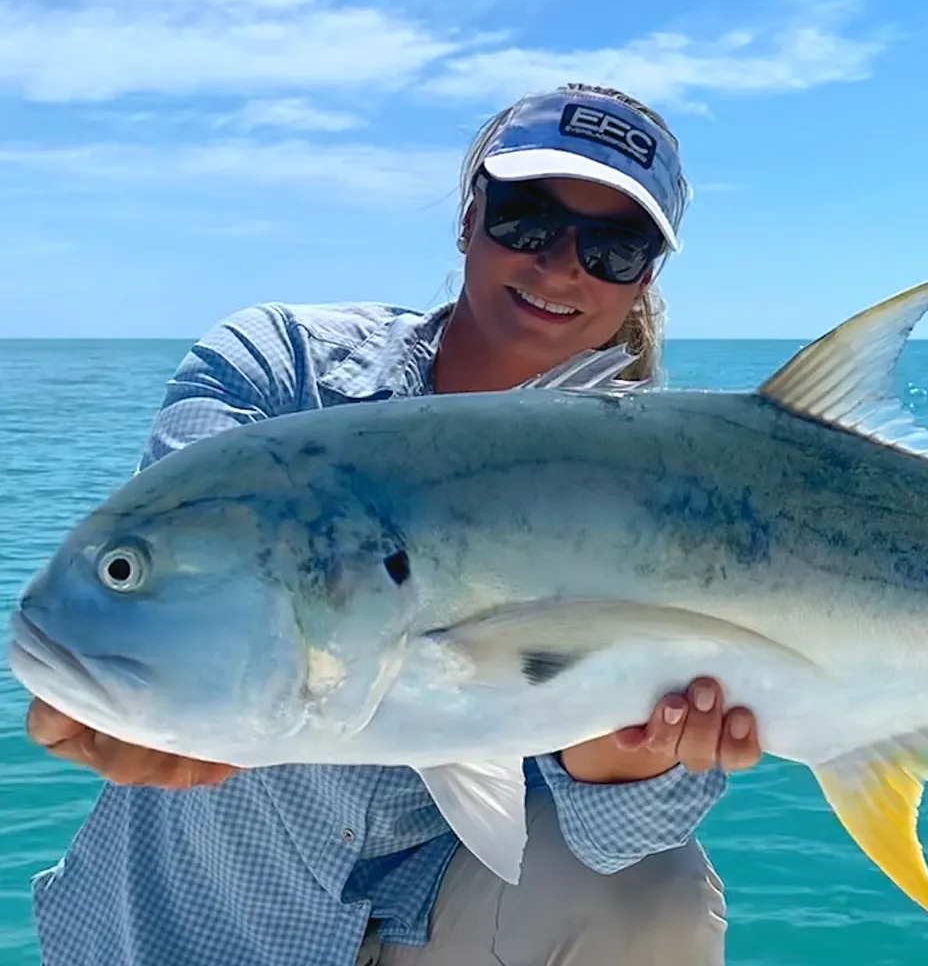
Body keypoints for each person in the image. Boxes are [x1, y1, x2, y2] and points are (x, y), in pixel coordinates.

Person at [23, 83, 760, 966]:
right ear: (469, 216)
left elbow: (616, 841)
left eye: (614, 247)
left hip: (440, 918)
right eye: (527, 218)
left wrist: (626, 755)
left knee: (652, 900)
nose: (564, 265)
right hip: (196, 925)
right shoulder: (276, 371)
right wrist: (131, 681)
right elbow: (195, 577)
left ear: (646, 276)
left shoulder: (675, 498)